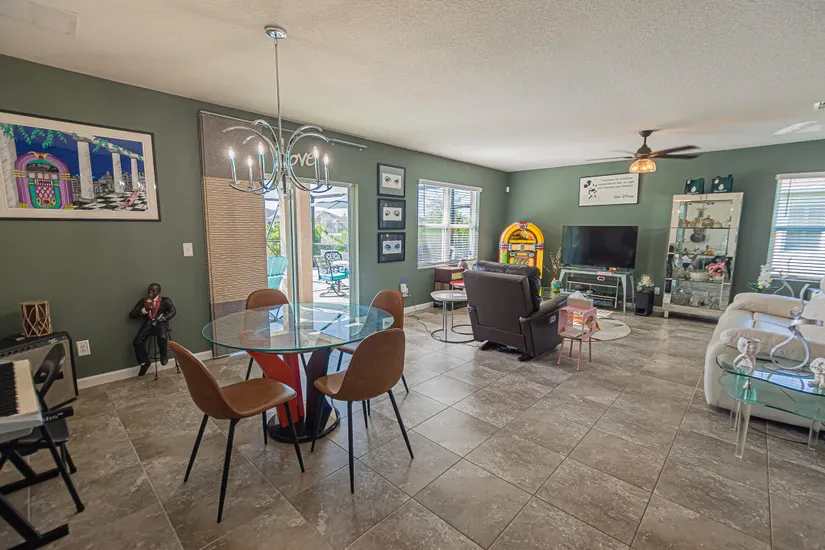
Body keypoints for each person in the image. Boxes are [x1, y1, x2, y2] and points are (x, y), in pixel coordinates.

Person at [129, 283, 176, 376]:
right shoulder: (144, 301)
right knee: (137, 341)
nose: (151, 292)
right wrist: (144, 310)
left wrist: (164, 318)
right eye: (149, 290)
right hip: (149, 322)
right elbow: (132, 315)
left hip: (161, 322)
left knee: (162, 337)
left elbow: (173, 311)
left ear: (159, 291)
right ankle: (145, 362)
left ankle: (163, 354)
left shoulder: (165, 300)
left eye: (153, 290)